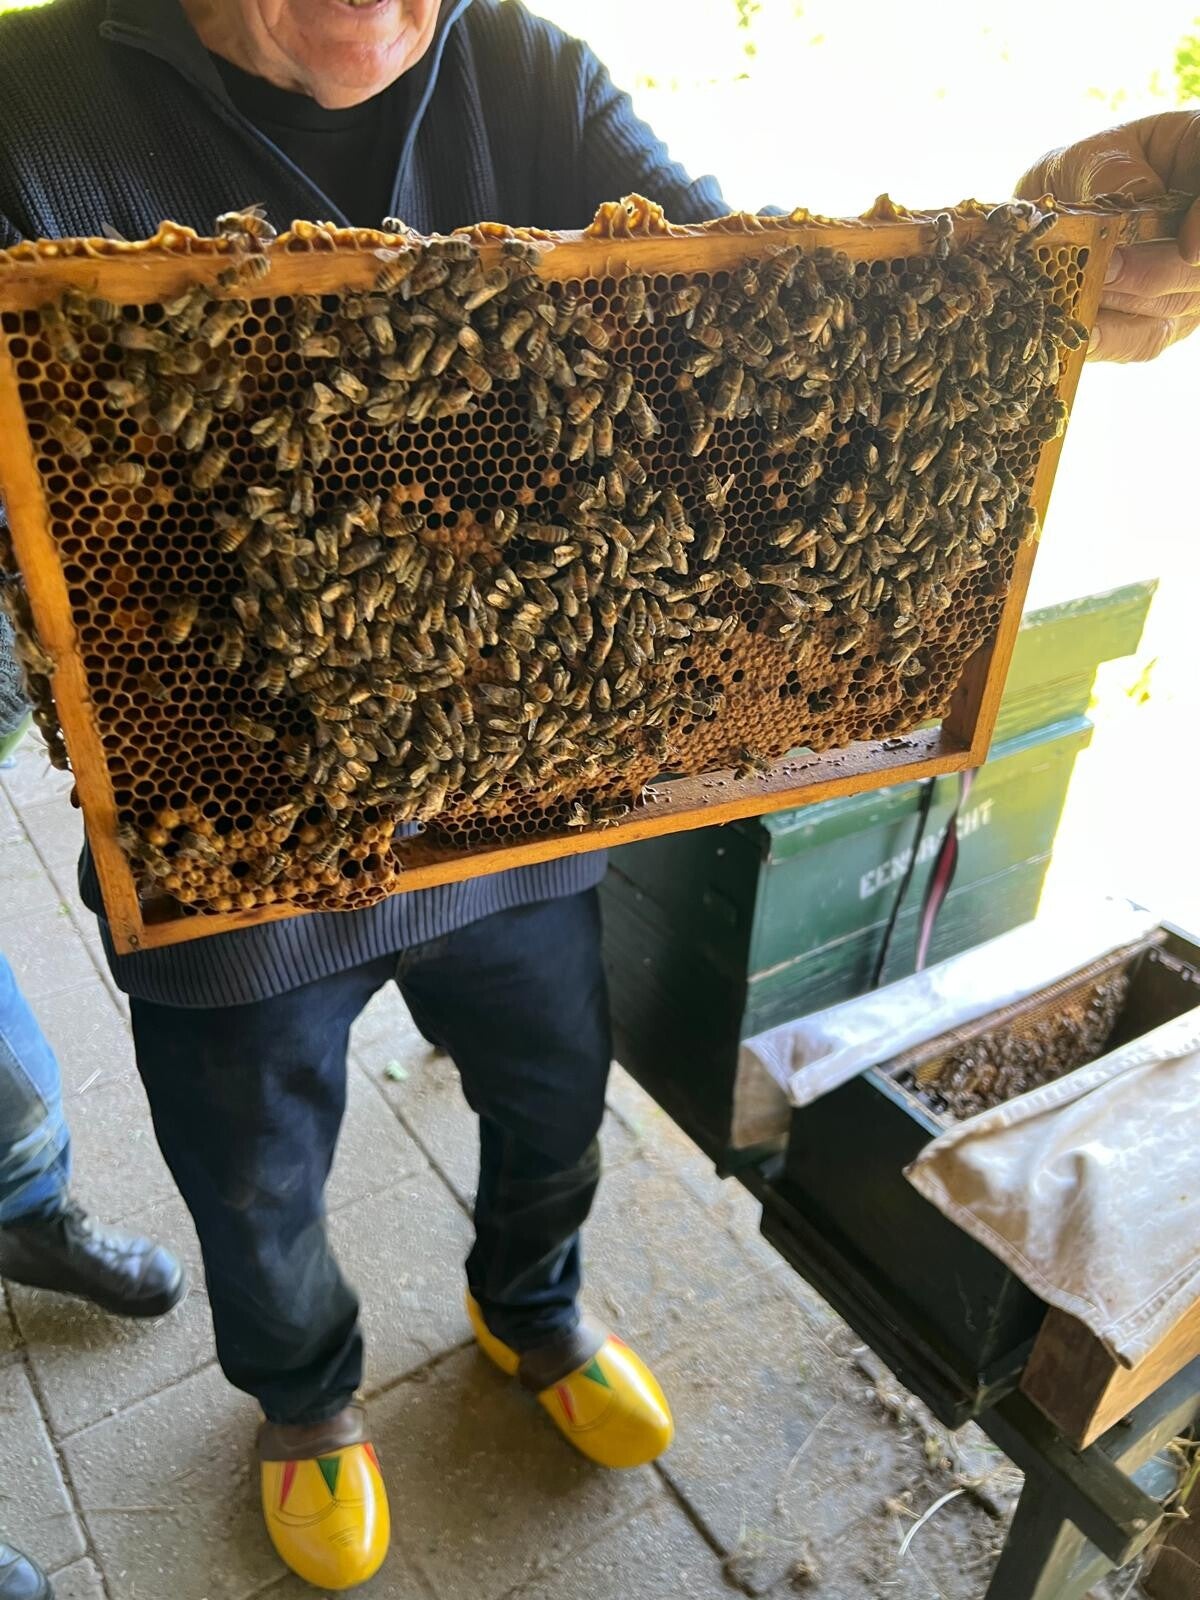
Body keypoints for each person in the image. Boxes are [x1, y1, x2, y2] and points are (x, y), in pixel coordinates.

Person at [0, 1, 1196, 1590]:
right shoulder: (26, 109)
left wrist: (1034, 260)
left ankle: (534, 1308)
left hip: (519, 806)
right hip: (239, 851)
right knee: (256, 1181)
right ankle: (302, 1399)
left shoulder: (524, 69)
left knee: (555, 1097)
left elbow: (769, 354)